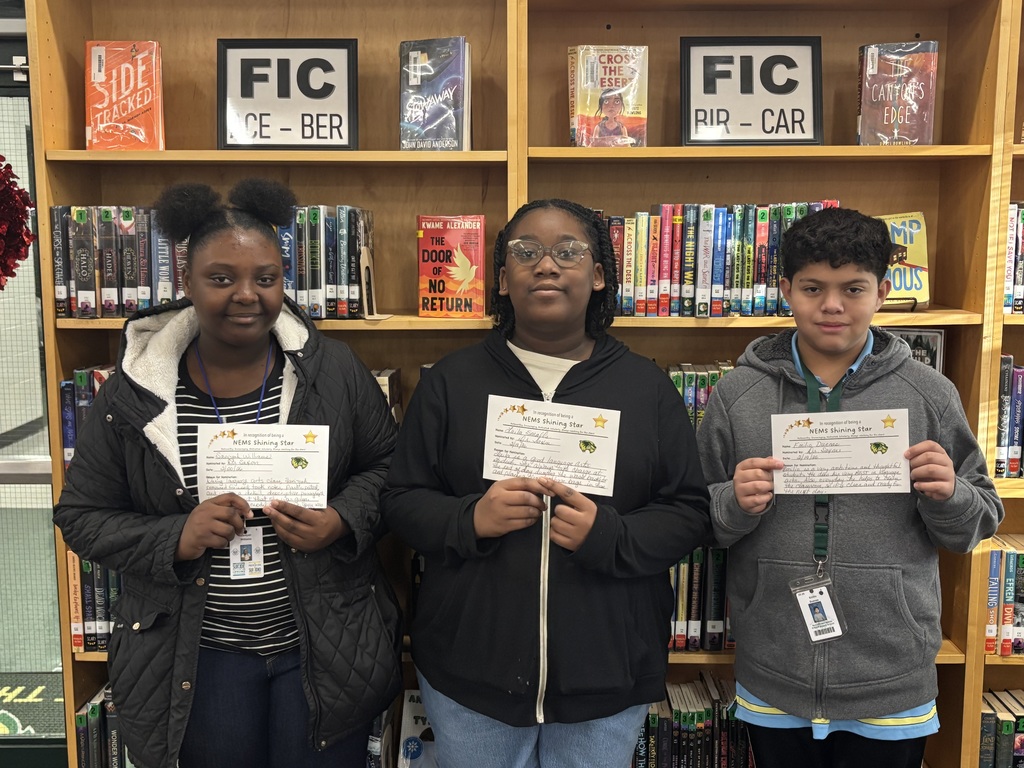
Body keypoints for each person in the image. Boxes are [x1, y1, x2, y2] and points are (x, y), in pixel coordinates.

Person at [53, 178, 402, 768]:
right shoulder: (135, 394)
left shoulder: (334, 371)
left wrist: (341, 521)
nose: (247, 294)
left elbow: (390, 469)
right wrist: (176, 537)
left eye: (266, 278)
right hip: (199, 657)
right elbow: (81, 517)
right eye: (222, 278)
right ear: (186, 281)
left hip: (321, 647)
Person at [381, 198, 711, 768]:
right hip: (470, 676)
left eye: (568, 252)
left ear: (599, 274)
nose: (547, 265)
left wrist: (608, 535)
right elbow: (399, 502)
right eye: (526, 252)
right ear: (503, 279)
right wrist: (470, 519)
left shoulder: (647, 388)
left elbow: (688, 512)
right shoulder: (450, 382)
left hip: (607, 675)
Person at [696, 206, 1003, 768]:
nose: (832, 305)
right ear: (786, 289)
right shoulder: (738, 395)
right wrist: (733, 504)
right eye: (813, 287)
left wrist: (949, 494)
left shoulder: (928, 393)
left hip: (890, 675)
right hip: (775, 669)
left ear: (882, 291)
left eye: (852, 288)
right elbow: (697, 518)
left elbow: (978, 520)